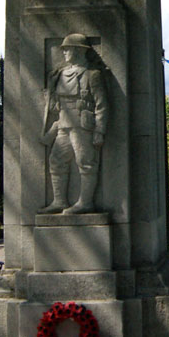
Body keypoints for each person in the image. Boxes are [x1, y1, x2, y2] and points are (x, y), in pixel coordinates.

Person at [38, 33, 109, 215]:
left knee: (85, 163)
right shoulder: (59, 74)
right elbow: (54, 104)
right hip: (63, 123)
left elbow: (101, 104)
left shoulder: (92, 75)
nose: (64, 53)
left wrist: (99, 131)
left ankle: (85, 203)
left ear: (78, 50)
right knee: (56, 161)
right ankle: (60, 201)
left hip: (82, 124)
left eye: (67, 49)